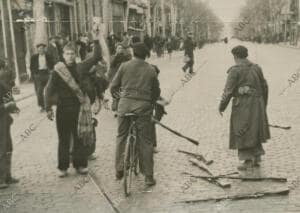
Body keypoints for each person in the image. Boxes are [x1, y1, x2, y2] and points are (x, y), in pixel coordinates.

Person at [45, 29, 102, 178]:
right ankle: (62, 167)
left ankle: (80, 165)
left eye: (72, 54)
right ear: (63, 56)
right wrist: (48, 108)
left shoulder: (81, 67)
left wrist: (96, 39)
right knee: (63, 139)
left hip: (78, 108)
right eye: (67, 54)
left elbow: (96, 56)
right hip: (63, 109)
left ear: (75, 55)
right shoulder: (57, 70)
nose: (70, 56)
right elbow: (49, 89)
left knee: (79, 138)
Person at [110, 42, 160, 186]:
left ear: (133, 53)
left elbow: (113, 86)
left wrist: (120, 98)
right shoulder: (150, 70)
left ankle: (119, 169)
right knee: (145, 141)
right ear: (146, 55)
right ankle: (149, 177)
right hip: (143, 109)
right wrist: (150, 102)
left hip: (124, 107)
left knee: (121, 136)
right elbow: (156, 92)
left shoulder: (124, 66)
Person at [218, 45, 270, 171]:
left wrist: (222, 106)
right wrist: (263, 104)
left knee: (242, 130)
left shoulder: (234, 71)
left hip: (242, 105)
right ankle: (256, 156)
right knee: (255, 128)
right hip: (258, 103)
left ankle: (247, 160)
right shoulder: (257, 68)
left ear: (235, 56)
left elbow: (228, 91)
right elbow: (265, 87)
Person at [0, 59, 19, 189]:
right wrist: (6, 105)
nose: (2, 72)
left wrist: (14, 107)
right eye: (2, 69)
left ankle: (7, 175)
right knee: (1, 148)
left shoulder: (2, 84)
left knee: (8, 147)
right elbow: (6, 102)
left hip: (4, 121)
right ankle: (1, 179)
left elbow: (8, 96)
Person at [30, 42, 54, 112]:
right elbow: (31, 67)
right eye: (39, 49)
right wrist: (34, 75)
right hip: (38, 75)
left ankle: (49, 105)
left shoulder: (48, 56)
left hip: (47, 74)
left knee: (49, 90)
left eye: (42, 48)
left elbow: (52, 64)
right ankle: (42, 106)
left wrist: (51, 71)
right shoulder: (34, 57)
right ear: (37, 49)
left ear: (44, 49)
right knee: (39, 92)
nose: (41, 50)